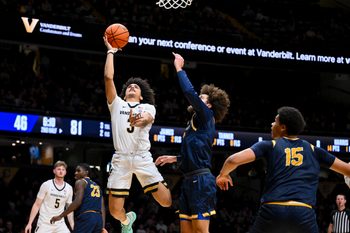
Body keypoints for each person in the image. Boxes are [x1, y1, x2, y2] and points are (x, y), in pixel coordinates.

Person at [216, 106, 350, 233]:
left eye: (275, 121)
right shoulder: (314, 150)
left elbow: (232, 160)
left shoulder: (269, 145)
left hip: (272, 210)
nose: (271, 124)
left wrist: (223, 175)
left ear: (283, 127)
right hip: (303, 212)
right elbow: (347, 170)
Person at [155, 52, 230, 233]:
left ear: (209, 105)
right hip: (189, 179)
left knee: (200, 231)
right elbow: (194, 153)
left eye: (203, 97)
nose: (199, 98)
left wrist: (179, 68)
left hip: (201, 180)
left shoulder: (206, 115)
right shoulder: (195, 123)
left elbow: (189, 92)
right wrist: (174, 158)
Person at [103, 36, 172, 233]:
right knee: (115, 212)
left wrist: (140, 120)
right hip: (121, 158)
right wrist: (111, 51)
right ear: (124, 94)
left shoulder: (148, 106)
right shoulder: (116, 104)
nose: (133, 86)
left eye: (137, 87)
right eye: (129, 86)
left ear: (141, 95)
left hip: (142, 157)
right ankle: (127, 221)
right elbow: (108, 78)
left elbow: (148, 118)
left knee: (166, 202)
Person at [50, 163, 107, 233]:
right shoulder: (97, 186)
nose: (75, 173)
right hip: (98, 220)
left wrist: (61, 216)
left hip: (86, 217)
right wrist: (102, 226)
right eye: (75, 171)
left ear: (86, 172)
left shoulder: (81, 182)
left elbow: (77, 202)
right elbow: (102, 208)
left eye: (78, 171)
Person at [25, 160, 74, 233]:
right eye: (59, 169)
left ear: (65, 172)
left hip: (60, 223)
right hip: (44, 223)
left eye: (63, 169)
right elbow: (37, 205)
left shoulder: (69, 188)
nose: (61, 171)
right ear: (54, 171)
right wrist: (29, 223)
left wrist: (72, 225)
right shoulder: (46, 185)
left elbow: (69, 209)